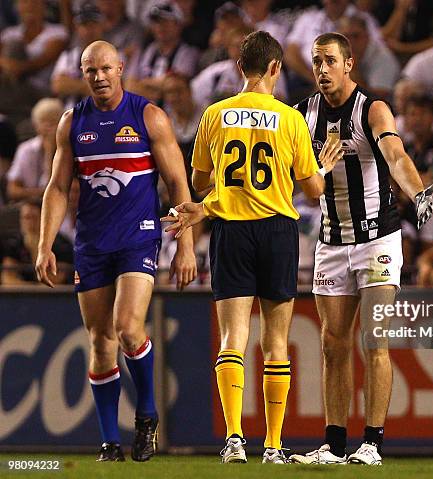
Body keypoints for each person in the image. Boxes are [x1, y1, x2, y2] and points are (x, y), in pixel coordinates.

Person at [162, 31, 343, 464]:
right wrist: (325, 165)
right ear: (277, 68)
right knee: (276, 341)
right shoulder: (290, 119)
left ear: (241, 68)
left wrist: (222, 187)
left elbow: (201, 182)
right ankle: (275, 444)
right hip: (278, 232)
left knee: (232, 338)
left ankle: (234, 440)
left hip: (231, 231)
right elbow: (314, 189)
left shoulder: (215, 114)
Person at [35, 40, 197, 462]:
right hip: (91, 243)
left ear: (121, 68)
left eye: (106, 68)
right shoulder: (72, 123)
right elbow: (56, 188)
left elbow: (180, 186)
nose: (99, 76)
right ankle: (109, 442)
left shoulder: (149, 117)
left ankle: (146, 414)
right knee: (100, 339)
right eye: (90, 70)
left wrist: (186, 247)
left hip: (139, 237)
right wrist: (45, 244)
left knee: (127, 328)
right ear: (83, 74)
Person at [288, 32, 433, 466]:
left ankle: (371, 442)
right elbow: (299, 177)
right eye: (316, 62)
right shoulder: (302, 115)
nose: (321, 69)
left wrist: (418, 193)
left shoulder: (371, 108)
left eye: (329, 61)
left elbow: (395, 154)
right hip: (332, 241)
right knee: (333, 343)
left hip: (377, 238)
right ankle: (334, 446)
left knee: (375, 340)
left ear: (349, 64)